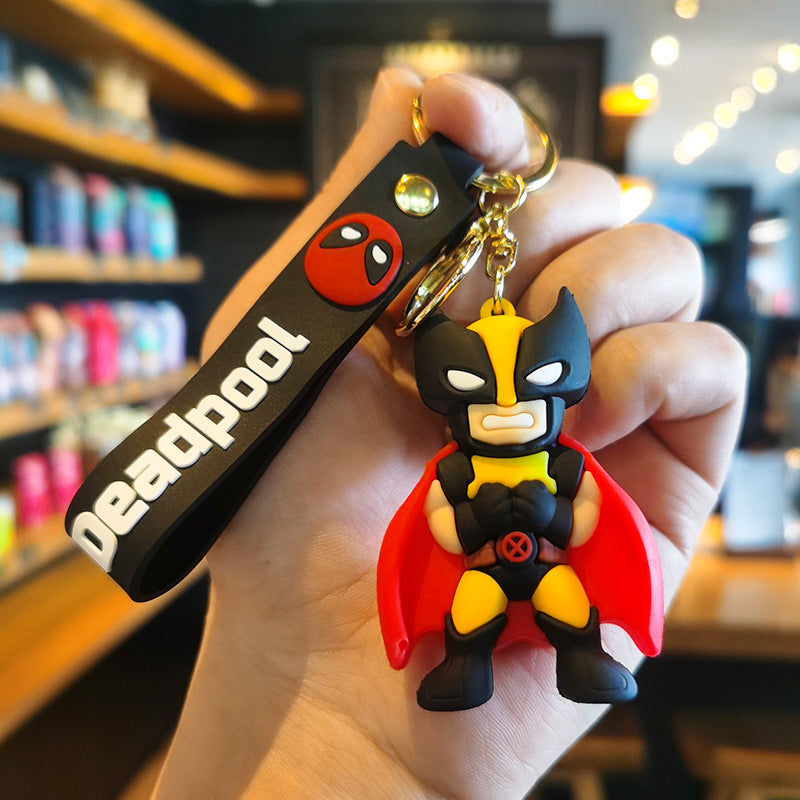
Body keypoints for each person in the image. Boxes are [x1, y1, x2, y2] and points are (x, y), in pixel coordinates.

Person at [152, 69, 747, 800]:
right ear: (452, 399)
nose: (507, 409)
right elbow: (437, 522)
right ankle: (466, 663)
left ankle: (582, 654)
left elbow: (590, 515)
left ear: (558, 387)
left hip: (548, 561)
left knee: (565, 596)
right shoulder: (456, 472)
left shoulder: (564, 464)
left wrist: (554, 517)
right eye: (481, 392)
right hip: (483, 567)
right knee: (473, 610)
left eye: (528, 387)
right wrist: (474, 521)